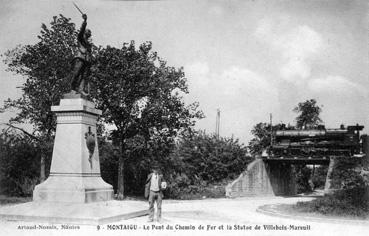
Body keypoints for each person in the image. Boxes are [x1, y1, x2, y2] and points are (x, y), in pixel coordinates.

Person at [70, 13, 92, 95]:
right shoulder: (80, 38)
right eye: (88, 32)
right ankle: (73, 88)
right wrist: (85, 21)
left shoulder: (88, 43)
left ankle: (80, 89)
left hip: (87, 60)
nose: (89, 33)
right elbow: (82, 30)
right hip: (80, 57)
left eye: (90, 33)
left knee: (84, 75)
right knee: (76, 73)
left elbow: (89, 52)